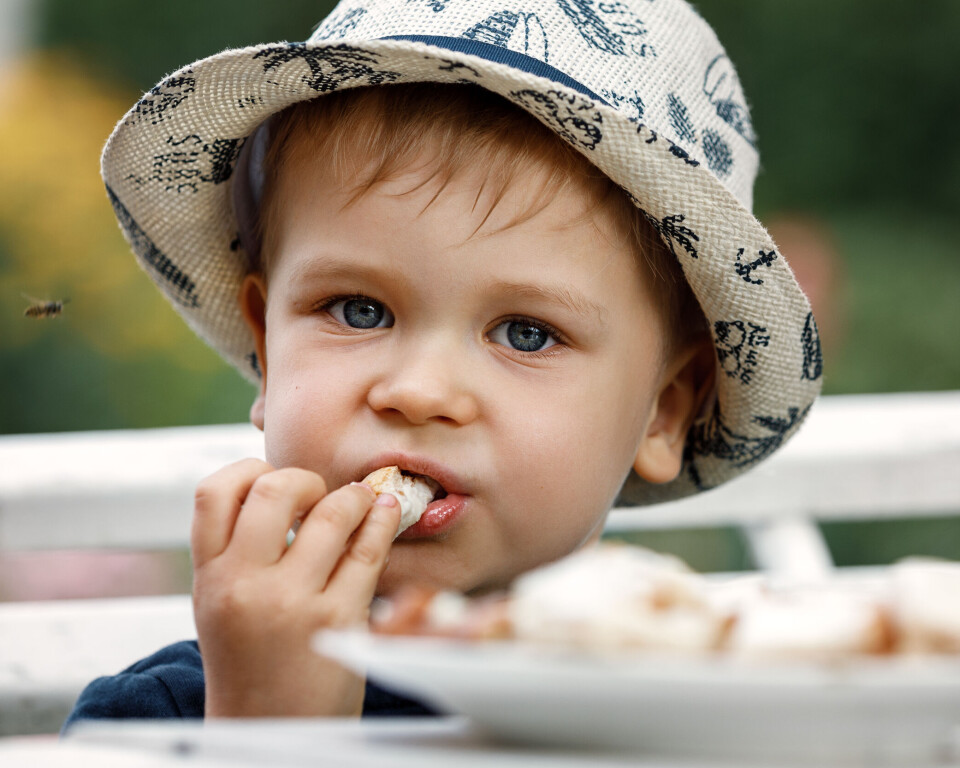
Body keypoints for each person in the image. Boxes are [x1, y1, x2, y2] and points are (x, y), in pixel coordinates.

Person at [63, 0, 822, 727]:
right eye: (360, 310)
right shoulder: (160, 721)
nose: (419, 393)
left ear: (664, 408)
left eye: (525, 333)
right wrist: (266, 735)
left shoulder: (712, 718)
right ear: (267, 350)